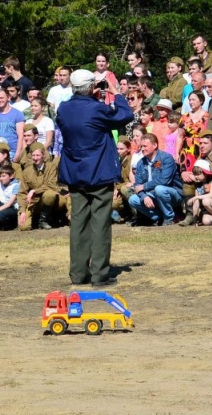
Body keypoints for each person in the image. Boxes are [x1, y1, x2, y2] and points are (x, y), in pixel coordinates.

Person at [54, 68, 134, 285]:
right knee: (100, 223)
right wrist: (115, 92)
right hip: (99, 172)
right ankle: (99, 274)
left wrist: (93, 97)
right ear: (91, 87)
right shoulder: (97, 109)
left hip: (74, 172)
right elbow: (126, 115)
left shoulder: (63, 109)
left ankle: (78, 274)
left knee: (78, 222)